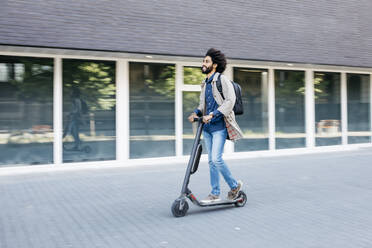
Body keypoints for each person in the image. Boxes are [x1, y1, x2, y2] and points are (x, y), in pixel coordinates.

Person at [188, 48, 244, 203]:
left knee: (216, 159)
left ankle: (234, 186)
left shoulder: (222, 80)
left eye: (206, 61)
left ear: (214, 64)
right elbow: (202, 105)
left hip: (218, 127)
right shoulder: (205, 83)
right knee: (211, 161)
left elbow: (230, 101)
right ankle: (215, 193)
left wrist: (212, 115)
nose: (203, 63)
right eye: (203, 61)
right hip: (206, 129)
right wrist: (195, 114)